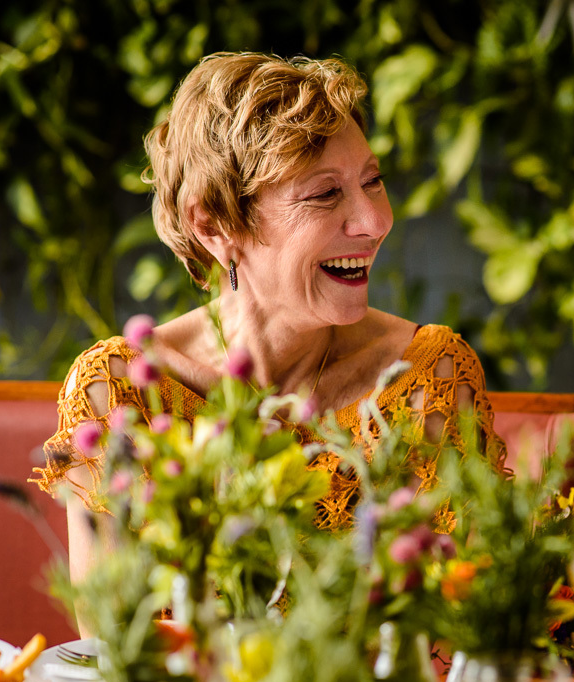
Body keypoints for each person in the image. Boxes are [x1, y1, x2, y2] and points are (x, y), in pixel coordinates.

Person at [34, 52, 508, 584]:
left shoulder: (428, 377)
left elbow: (466, 626)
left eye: (372, 180)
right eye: (326, 193)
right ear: (213, 226)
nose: (375, 221)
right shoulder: (121, 395)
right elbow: (112, 646)